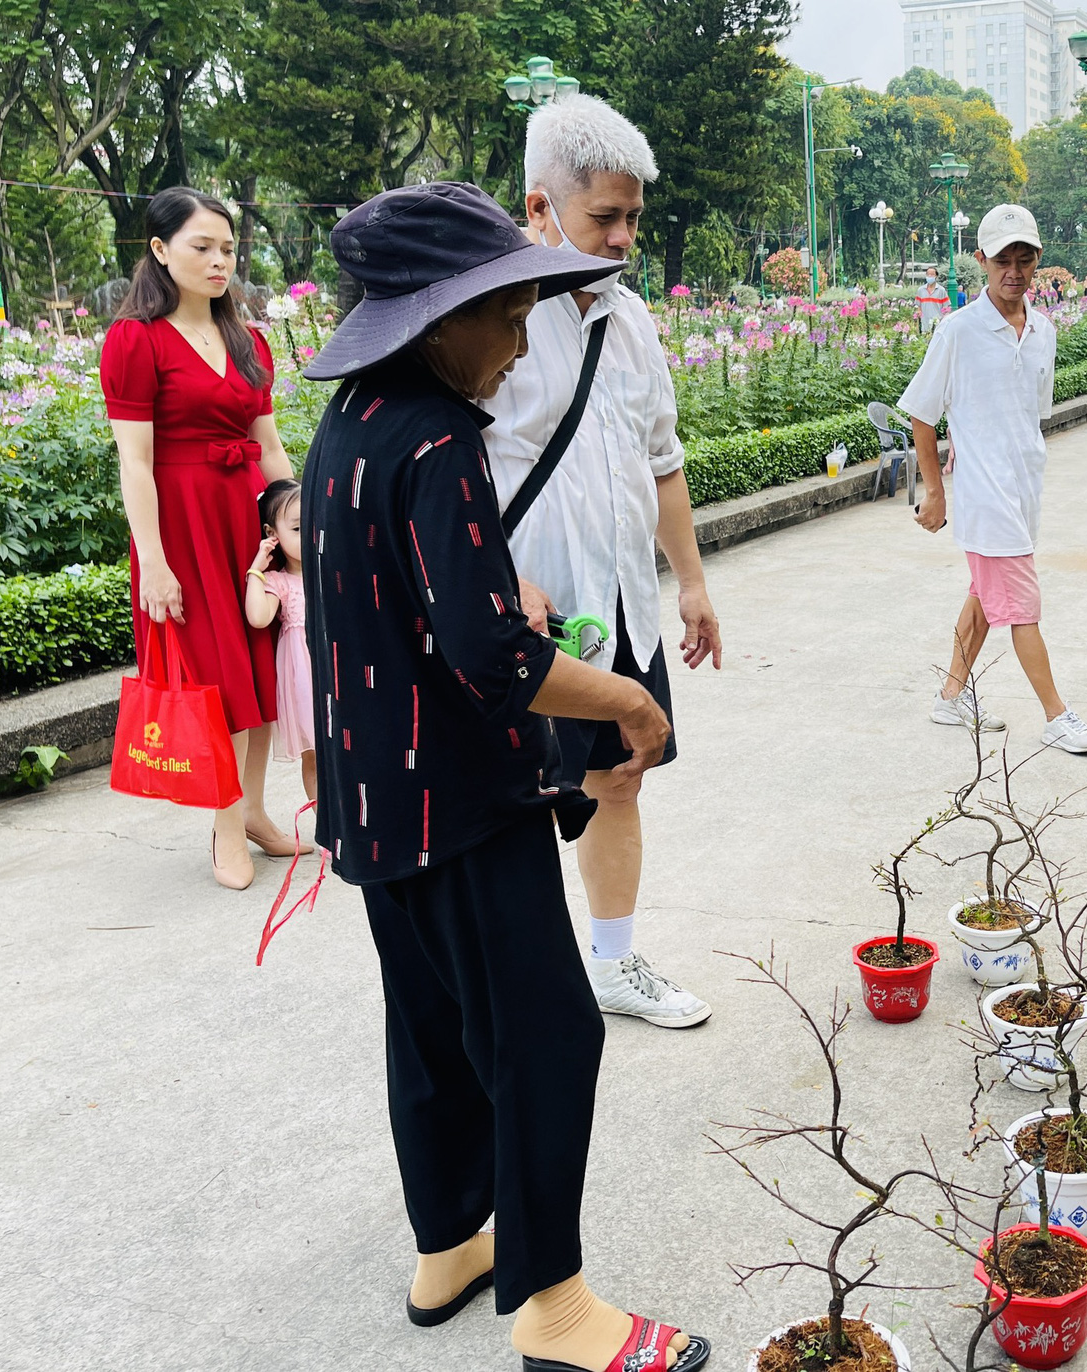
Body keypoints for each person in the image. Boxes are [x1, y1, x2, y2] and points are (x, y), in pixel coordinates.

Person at [298, 182, 704, 1372]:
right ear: (437, 321)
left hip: (378, 798)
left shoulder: (351, 426)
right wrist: (627, 697)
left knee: (431, 1028)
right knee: (543, 1034)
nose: (522, 336)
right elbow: (491, 654)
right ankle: (556, 1306)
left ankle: (448, 1245)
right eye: (507, 311)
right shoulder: (437, 437)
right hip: (463, 802)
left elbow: (397, 608)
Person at [487, 94, 715, 1030]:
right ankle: (516, 985)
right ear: (541, 209)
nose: (623, 239)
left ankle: (612, 965)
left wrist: (691, 581)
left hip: (620, 605)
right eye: (602, 218)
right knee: (511, 803)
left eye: (633, 219)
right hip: (522, 618)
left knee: (619, 777)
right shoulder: (490, 318)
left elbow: (661, 461)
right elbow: (442, 470)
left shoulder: (632, 325)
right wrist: (494, 582)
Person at [101, 186, 300, 890]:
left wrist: (305, 526)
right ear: (159, 250)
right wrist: (153, 562)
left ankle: (252, 811)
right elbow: (136, 462)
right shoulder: (136, 340)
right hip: (182, 526)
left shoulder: (250, 341)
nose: (220, 262)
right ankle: (224, 824)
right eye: (202, 247)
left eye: (227, 248)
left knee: (261, 660)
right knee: (213, 674)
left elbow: (269, 449)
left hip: (248, 518)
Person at [902, 204, 1087, 754]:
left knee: (984, 598)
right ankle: (1057, 715)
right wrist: (937, 491)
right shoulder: (957, 331)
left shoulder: (1043, 331)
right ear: (982, 262)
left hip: (1023, 490)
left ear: (1038, 261)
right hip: (983, 495)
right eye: (1002, 260)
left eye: (1024, 259)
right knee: (1020, 607)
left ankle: (951, 698)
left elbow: (1029, 417)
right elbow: (923, 413)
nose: (1013, 271)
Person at [243, 479, 315, 802]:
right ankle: (330, 834)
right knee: (316, 760)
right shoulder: (280, 583)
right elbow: (258, 617)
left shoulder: (330, 570)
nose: (310, 533)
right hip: (305, 685)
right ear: (273, 535)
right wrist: (256, 570)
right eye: (298, 529)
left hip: (340, 676)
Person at [917, 265, 951, 332]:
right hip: (925, 324)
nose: (930, 276)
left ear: (936, 276)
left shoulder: (941, 290)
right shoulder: (921, 290)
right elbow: (918, 307)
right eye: (928, 274)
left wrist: (944, 319)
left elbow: (946, 308)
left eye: (932, 274)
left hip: (938, 324)